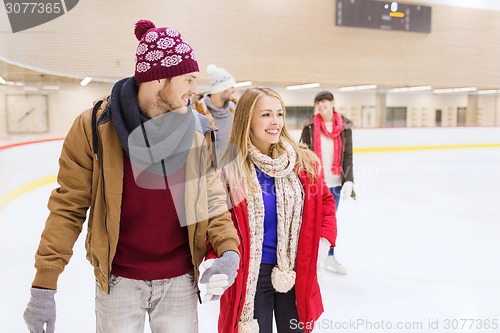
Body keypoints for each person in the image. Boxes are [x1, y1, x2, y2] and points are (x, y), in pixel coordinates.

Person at [23, 19, 240, 333]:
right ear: (158, 78)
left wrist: (228, 250)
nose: (195, 89)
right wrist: (44, 286)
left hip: (180, 280)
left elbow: (210, 200)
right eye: (189, 79)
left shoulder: (196, 129)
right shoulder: (94, 127)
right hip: (119, 281)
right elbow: (68, 208)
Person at [217, 87, 337, 333]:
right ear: (247, 119)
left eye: (279, 114)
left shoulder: (303, 163)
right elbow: (217, 223)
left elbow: (325, 202)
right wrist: (215, 260)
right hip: (251, 274)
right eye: (266, 115)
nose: (276, 122)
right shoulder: (232, 169)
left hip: (295, 270)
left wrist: (323, 242)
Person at [299, 90, 355, 275]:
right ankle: (312, 257)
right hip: (315, 183)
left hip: (336, 183)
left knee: (329, 222)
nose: (321, 105)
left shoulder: (345, 127)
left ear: (332, 103)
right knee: (311, 220)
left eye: (324, 101)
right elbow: (302, 153)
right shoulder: (309, 126)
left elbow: (348, 156)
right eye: (318, 102)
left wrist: (349, 181)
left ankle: (329, 257)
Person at [193, 64, 237, 156]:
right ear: (222, 88)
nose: (234, 90)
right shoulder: (197, 110)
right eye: (231, 86)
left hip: (230, 166)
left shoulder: (235, 109)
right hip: (206, 166)